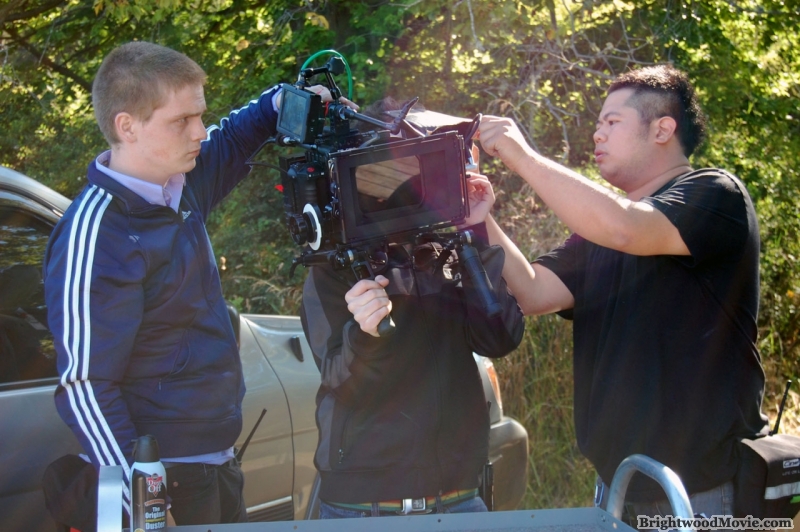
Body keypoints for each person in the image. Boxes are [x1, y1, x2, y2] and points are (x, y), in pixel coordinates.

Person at [42, 41, 349, 526]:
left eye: (199, 115)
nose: (199, 132)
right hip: (165, 481)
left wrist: (283, 102)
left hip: (218, 466)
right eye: (181, 121)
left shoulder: (179, 184)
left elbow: (234, 137)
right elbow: (84, 386)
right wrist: (145, 499)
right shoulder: (97, 233)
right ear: (127, 126)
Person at [470, 64, 768, 521]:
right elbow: (531, 292)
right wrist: (479, 218)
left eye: (612, 121)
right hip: (617, 489)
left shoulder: (714, 194)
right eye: (598, 123)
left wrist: (522, 157)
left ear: (662, 129)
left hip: (699, 495)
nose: (598, 134)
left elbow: (627, 228)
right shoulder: (599, 234)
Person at [300, 99, 525, 518]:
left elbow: (500, 337)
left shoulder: (448, 252)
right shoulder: (335, 268)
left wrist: (474, 229)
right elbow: (340, 379)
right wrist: (365, 335)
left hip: (459, 497)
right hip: (361, 506)